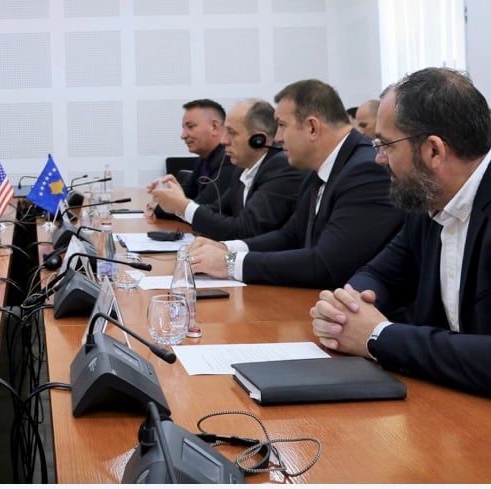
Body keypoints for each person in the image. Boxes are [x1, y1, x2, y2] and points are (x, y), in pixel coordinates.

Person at [311, 67, 491, 397]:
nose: (378, 159)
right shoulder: (429, 201)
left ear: (433, 151)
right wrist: (346, 309)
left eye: (386, 145)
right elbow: (380, 273)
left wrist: (378, 335)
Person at [187, 79, 404, 289]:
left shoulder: (366, 170)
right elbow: (290, 235)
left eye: (281, 125)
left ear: (312, 127)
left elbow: (327, 265)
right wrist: (225, 248)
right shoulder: (319, 167)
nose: (278, 137)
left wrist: (229, 263)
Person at [147, 99, 306, 240]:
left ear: (259, 140)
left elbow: (244, 230)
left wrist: (182, 206)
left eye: (232, 133)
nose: (223, 141)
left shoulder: (282, 167)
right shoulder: (242, 168)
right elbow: (217, 209)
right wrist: (178, 204)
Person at [149, 99, 236, 219]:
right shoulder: (203, 159)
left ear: (214, 127)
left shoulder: (229, 160)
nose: (183, 135)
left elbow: (199, 208)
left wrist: (160, 207)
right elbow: (186, 196)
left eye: (190, 127)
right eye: (184, 128)